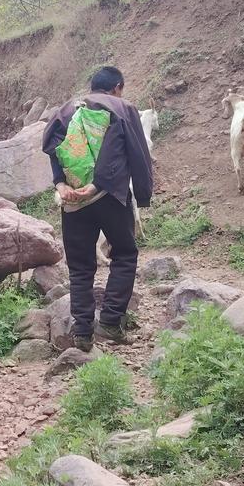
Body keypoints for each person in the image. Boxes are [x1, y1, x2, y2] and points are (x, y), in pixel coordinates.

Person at [42, 66, 153, 351]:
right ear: (117, 87)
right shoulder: (122, 108)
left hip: (73, 200)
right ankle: (111, 322)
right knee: (125, 254)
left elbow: (54, 147)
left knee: (80, 267)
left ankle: (82, 333)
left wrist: (60, 185)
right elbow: (137, 153)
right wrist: (142, 195)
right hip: (110, 195)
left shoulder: (67, 110)